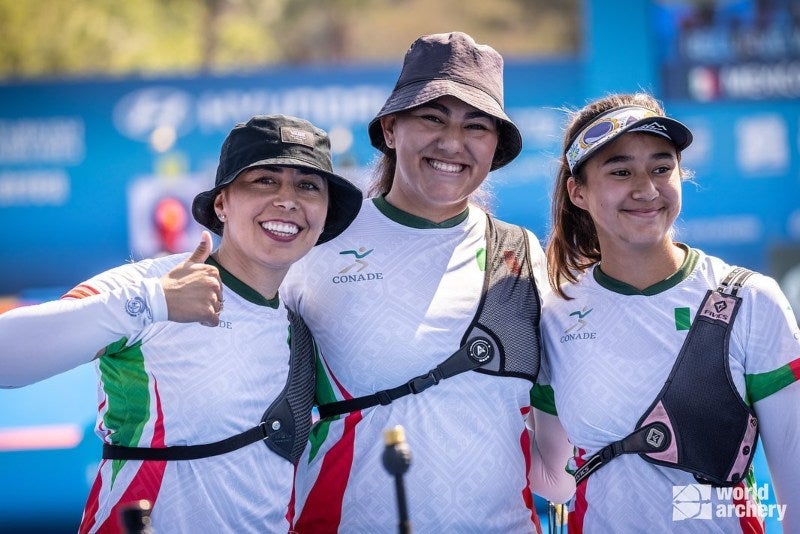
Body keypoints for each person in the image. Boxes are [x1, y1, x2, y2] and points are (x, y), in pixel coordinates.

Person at [0, 115, 363, 533]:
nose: (287, 199)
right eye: (264, 180)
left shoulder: (303, 326)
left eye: (308, 186)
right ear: (222, 204)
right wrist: (153, 303)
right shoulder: (150, 286)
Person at [281, 31, 575, 533]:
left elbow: (563, 449)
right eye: (432, 118)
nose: (452, 144)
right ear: (391, 129)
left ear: (495, 148)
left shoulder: (520, 252)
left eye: (476, 127)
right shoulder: (316, 241)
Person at [541, 92, 800, 532]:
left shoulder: (751, 301)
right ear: (578, 192)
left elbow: (794, 488)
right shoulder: (553, 314)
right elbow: (552, 481)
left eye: (661, 168)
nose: (646, 189)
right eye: (620, 171)